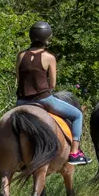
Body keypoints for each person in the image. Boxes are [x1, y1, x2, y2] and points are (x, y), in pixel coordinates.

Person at [15, 21, 90, 165]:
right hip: (43, 100)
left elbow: (19, 79)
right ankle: (74, 152)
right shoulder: (49, 57)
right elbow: (53, 84)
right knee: (77, 115)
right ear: (47, 39)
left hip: (21, 101)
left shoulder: (21, 55)